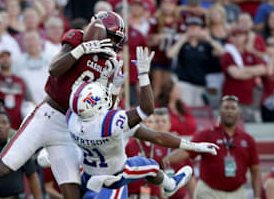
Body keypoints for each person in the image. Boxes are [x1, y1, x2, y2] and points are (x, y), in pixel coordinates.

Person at [0, 11, 125, 199]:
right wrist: (81, 50)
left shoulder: (110, 63)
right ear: (99, 31)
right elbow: (54, 69)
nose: (115, 44)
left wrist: (114, 87)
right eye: (114, 37)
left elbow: (104, 109)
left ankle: (47, 155)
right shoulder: (78, 39)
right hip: (47, 116)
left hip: (69, 126)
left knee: (72, 193)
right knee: (2, 167)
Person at [65, 47, 218, 198]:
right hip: (116, 175)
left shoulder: (72, 119)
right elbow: (147, 112)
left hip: (89, 172)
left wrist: (113, 87)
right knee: (150, 165)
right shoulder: (112, 125)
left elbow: (102, 115)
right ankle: (170, 185)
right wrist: (143, 75)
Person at [163, 95, 262, 199]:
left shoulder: (247, 139)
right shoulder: (206, 134)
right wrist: (165, 160)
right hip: (209, 192)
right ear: (219, 111)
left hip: (237, 193)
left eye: (233, 108)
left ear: (239, 113)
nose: (229, 111)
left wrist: (257, 196)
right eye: (226, 108)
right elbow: (186, 152)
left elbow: (255, 170)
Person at [126, 109, 196, 199]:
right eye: (144, 122)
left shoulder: (165, 148)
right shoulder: (129, 145)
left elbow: (164, 174)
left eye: (150, 122)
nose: (147, 124)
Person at [167, 16, 224, 106]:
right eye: (190, 27)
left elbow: (222, 52)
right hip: (184, 83)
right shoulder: (183, 43)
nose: (193, 29)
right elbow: (170, 54)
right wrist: (182, 40)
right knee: (185, 108)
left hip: (200, 84)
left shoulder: (205, 44)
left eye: (195, 27)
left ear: (200, 29)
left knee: (199, 112)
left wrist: (209, 39)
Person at [221, 26, 268, 122]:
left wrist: (243, 70)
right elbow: (236, 74)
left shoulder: (250, 54)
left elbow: (263, 69)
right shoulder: (227, 54)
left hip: (250, 100)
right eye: (234, 35)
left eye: (240, 35)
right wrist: (253, 72)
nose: (237, 38)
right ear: (231, 38)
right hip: (232, 102)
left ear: (245, 37)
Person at [0, 50, 32, 129]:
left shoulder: (20, 80)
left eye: (7, 57)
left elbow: (30, 101)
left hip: (18, 126)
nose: (5, 59)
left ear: (11, 60)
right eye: (2, 57)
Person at [148, 0, 181, 99]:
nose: (168, 7)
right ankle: (153, 109)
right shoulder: (156, 20)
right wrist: (159, 37)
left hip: (171, 59)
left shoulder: (178, 21)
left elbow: (183, 36)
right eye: (165, 4)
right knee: (157, 87)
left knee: (167, 87)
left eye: (171, 4)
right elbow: (149, 40)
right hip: (158, 57)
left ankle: (164, 110)